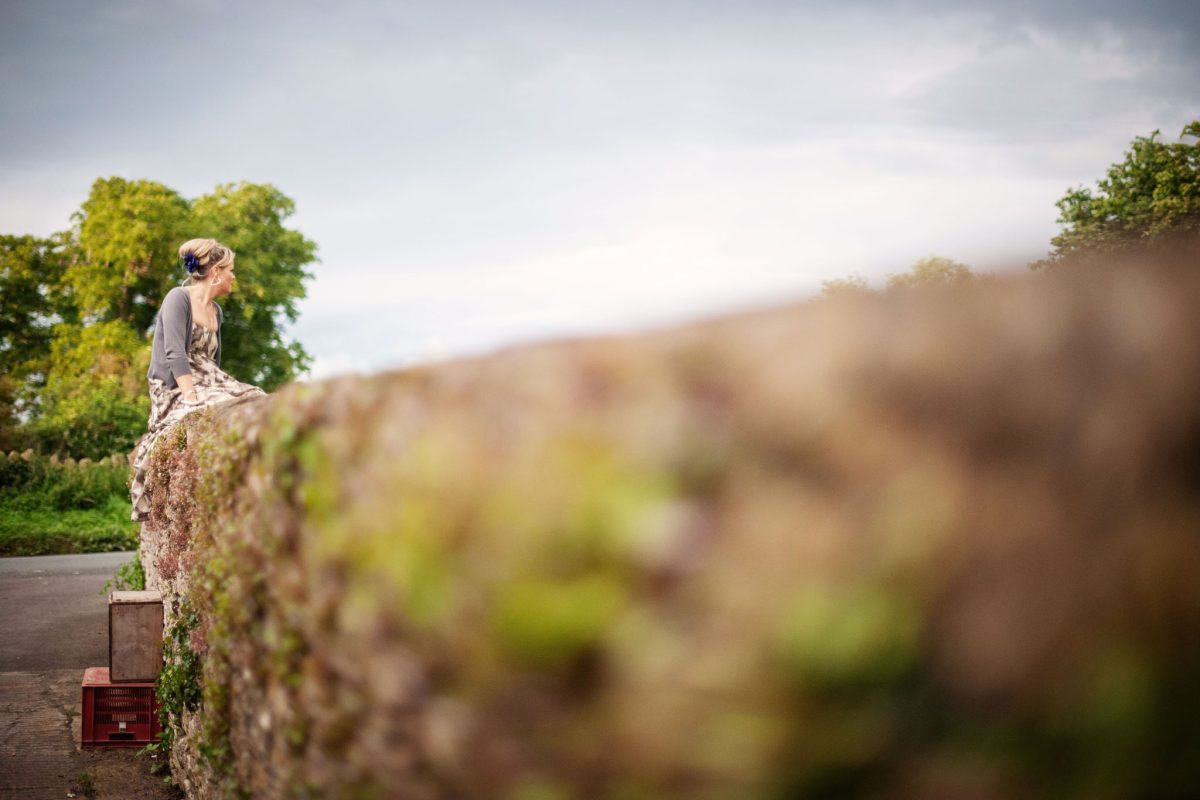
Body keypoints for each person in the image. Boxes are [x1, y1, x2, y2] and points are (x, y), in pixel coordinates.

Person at [128, 238, 267, 523]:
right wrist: (191, 396)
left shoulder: (217, 312)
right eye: (230, 270)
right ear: (216, 272)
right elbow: (174, 352)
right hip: (175, 386)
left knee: (258, 399)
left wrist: (222, 389)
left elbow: (213, 363)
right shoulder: (178, 298)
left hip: (210, 380)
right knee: (219, 410)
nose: (233, 276)